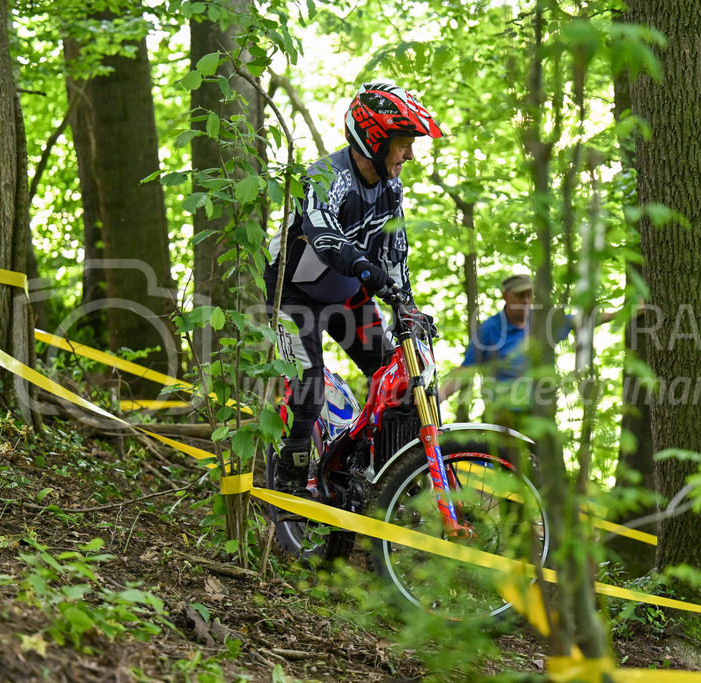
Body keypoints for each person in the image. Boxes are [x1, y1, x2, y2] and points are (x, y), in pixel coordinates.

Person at [264, 82, 441, 497]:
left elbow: (394, 256)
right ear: (375, 141)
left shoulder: (389, 189)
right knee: (306, 390)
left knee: (397, 380)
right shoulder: (326, 176)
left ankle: (374, 474)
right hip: (291, 292)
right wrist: (366, 269)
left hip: (345, 293)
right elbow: (324, 235)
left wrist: (407, 307)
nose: (409, 155)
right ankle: (289, 489)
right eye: (403, 144)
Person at [441, 273, 615, 425]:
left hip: (540, 416)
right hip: (502, 417)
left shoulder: (542, 323)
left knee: (543, 463)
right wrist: (438, 396)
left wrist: (622, 312)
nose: (525, 300)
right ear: (505, 296)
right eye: (519, 295)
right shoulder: (489, 330)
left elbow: (582, 320)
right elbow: (466, 370)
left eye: (529, 295)